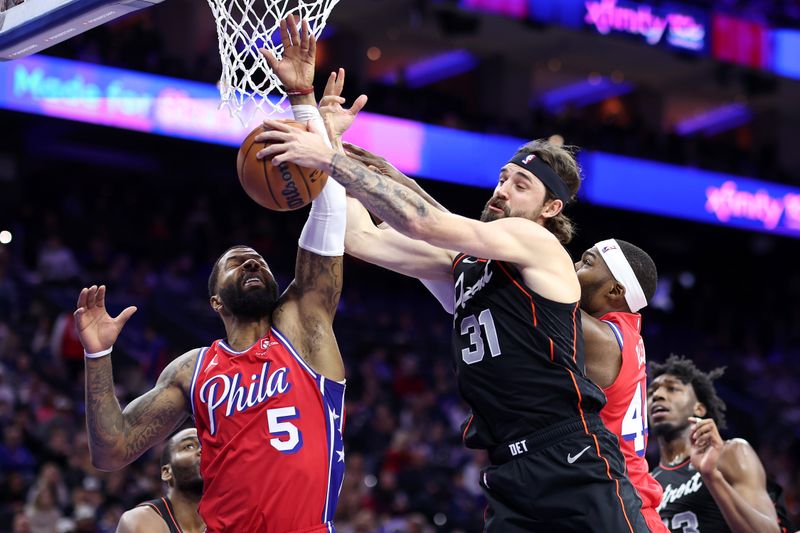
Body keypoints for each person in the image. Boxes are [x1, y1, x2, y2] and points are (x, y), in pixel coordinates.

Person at [257, 119, 648, 530]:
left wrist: (328, 158)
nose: (502, 190)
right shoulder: (461, 265)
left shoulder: (540, 245)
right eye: (503, 178)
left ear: (550, 209)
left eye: (521, 185)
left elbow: (426, 223)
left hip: (570, 457)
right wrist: (323, 132)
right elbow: (358, 237)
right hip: (509, 472)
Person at [76, 17, 355, 532]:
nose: (252, 262)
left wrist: (302, 101)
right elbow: (112, 449)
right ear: (216, 303)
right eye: (236, 262)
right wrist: (98, 355)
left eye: (258, 260)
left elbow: (327, 216)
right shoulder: (194, 370)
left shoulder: (302, 326)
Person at [574, 239, 668, 533]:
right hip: (625, 502)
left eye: (586, 263)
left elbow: (530, 292)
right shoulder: (625, 335)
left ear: (615, 291)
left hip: (620, 505)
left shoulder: (603, 339)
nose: (574, 267)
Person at [648, 355, 782, 533]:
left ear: (699, 408)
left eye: (672, 389)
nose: (657, 395)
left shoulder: (731, 453)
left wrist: (711, 476)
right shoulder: (646, 482)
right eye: (651, 393)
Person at [117, 428, 204, 533]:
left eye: (207, 447)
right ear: (167, 472)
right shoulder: (141, 519)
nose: (202, 450)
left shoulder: (225, 515)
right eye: (189, 446)